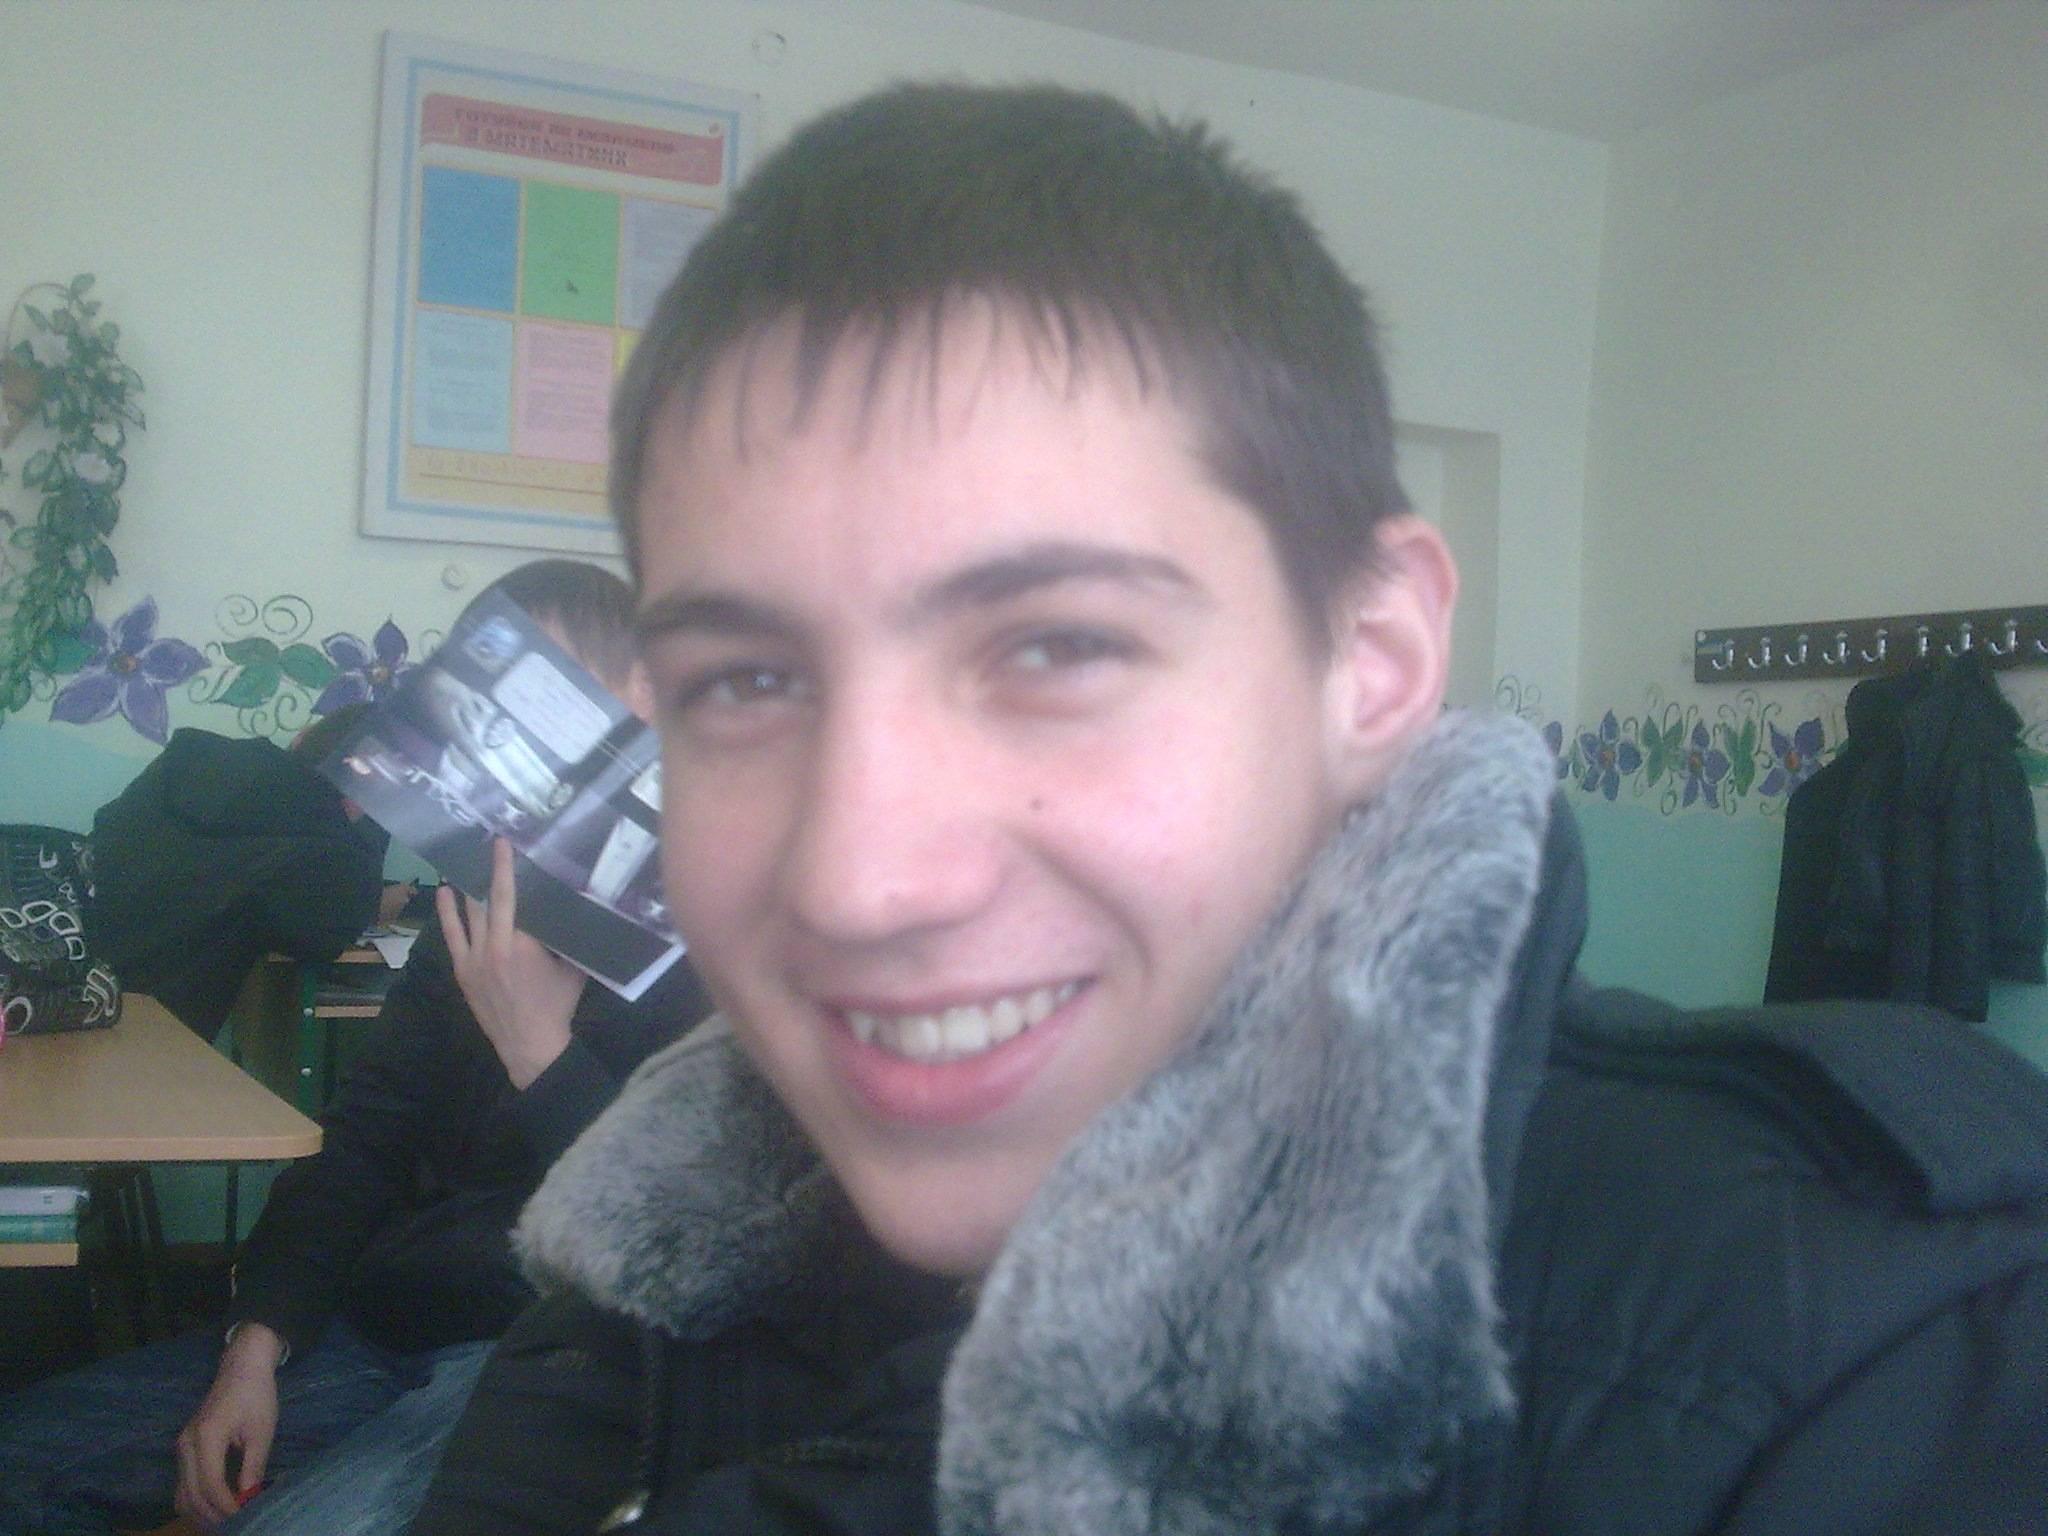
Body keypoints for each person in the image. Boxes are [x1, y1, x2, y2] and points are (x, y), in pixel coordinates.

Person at [408, 85, 2048, 1536]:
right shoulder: (666, 1234)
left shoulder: (1858, 1352)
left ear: (1370, 664)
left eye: (1056, 647)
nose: (856, 879)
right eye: (744, 683)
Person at [0, 560, 714, 1536]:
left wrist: (540, 1053)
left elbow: (692, 1243)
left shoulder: (732, 956)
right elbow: (362, 1144)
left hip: (552, 1358)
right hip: (375, 1323)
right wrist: (255, 1348)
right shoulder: (463, 924)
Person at [2, 707, 397, 1045]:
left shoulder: (193, 756)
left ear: (302, 736)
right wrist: (367, 830)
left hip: (49, 978)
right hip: (131, 1028)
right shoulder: (324, 843)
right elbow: (327, 934)